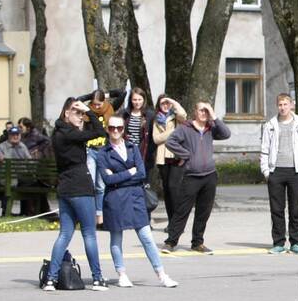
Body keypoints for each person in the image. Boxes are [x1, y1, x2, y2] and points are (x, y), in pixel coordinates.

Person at [96, 116, 177, 288]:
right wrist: (129, 172)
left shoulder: (133, 148)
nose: (115, 131)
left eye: (119, 128)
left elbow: (141, 174)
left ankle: (162, 274)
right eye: (112, 128)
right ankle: (122, 274)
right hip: (115, 199)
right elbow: (107, 180)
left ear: (124, 129)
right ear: (107, 129)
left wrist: (119, 176)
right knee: (116, 238)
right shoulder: (103, 153)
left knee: (147, 238)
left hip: (135, 198)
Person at [45, 99, 107, 290]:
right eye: (76, 112)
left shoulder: (57, 133)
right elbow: (100, 132)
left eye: (81, 113)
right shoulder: (71, 134)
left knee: (64, 234)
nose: (81, 116)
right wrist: (89, 110)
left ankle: (51, 279)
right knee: (89, 233)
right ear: (66, 114)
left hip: (65, 188)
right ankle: (97, 278)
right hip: (80, 187)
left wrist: (81, 110)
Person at [162, 102, 230, 254]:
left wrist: (214, 116)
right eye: (201, 110)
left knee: (203, 211)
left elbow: (226, 134)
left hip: (209, 176)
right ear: (195, 112)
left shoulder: (211, 128)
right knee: (182, 210)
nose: (204, 113)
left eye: (206, 111)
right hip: (191, 176)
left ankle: (197, 242)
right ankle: (171, 241)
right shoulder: (185, 128)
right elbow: (170, 142)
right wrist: (186, 155)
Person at [259, 93, 298, 255]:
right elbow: (264, 150)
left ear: (291, 105)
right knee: (277, 209)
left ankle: (296, 243)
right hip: (276, 172)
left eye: (285, 104)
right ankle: (278, 243)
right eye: (280, 105)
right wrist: (266, 172)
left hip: (296, 171)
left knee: (295, 209)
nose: (282, 108)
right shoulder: (270, 125)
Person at [78, 88, 125, 225]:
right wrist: (91, 96)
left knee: (101, 185)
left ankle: (100, 214)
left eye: (99, 104)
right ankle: (88, 213)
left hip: (103, 150)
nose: (97, 107)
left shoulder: (110, 108)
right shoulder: (88, 111)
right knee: (90, 183)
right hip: (90, 150)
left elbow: (122, 94)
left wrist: (105, 95)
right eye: (95, 104)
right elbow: (77, 100)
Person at [152, 95, 187, 225]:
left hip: (176, 157)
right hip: (163, 158)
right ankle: (171, 221)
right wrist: (172, 132)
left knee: (174, 188)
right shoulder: (157, 119)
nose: (165, 106)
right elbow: (156, 139)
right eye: (163, 104)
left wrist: (173, 101)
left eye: (167, 103)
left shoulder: (176, 117)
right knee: (167, 190)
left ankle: (178, 222)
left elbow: (183, 115)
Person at [0, 125, 31, 216]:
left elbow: (30, 160)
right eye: (13, 135)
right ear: (9, 136)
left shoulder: (22, 147)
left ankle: (20, 211)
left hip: (18, 177)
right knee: (9, 183)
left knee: (27, 182)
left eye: (17, 134)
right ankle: (6, 210)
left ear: (20, 136)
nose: (15, 136)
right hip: (3, 178)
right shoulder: (3, 146)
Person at [117, 88, 156, 175]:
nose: (137, 102)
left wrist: (150, 151)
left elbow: (153, 138)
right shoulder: (124, 114)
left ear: (144, 100)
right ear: (131, 100)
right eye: (134, 99)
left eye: (139, 99)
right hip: (127, 152)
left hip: (143, 153)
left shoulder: (150, 115)